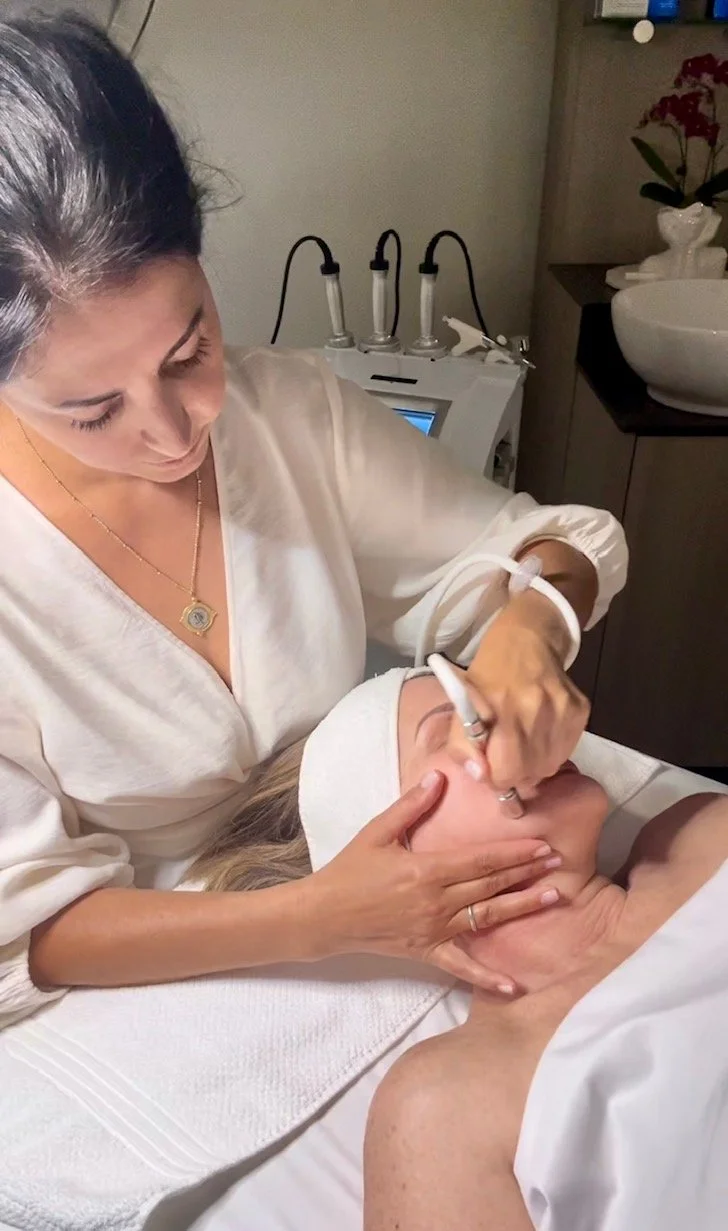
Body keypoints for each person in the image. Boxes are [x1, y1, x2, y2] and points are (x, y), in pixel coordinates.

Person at [0, 12, 627, 1030]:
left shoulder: (287, 414)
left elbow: (555, 542)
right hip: (141, 987)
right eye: (92, 410)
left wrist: (526, 626)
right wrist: (316, 919)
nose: (171, 433)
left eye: (185, 350)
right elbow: (25, 931)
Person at [186, 665, 724, 1231]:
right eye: (459, 727)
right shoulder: (448, 1108)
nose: (514, 728)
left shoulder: (701, 831)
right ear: (395, 857)